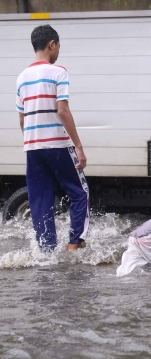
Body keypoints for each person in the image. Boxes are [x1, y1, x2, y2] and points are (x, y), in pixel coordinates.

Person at [16, 25, 89, 252]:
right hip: (57, 144)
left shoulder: (21, 78)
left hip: (32, 146)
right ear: (51, 44)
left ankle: (47, 253)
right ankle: (74, 244)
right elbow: (63, 111)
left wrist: (33, 141)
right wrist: (78, 146)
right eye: (58, 46)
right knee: (80, 193)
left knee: (40, 201)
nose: (58, 51)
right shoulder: (58, 71)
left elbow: (22, 119)